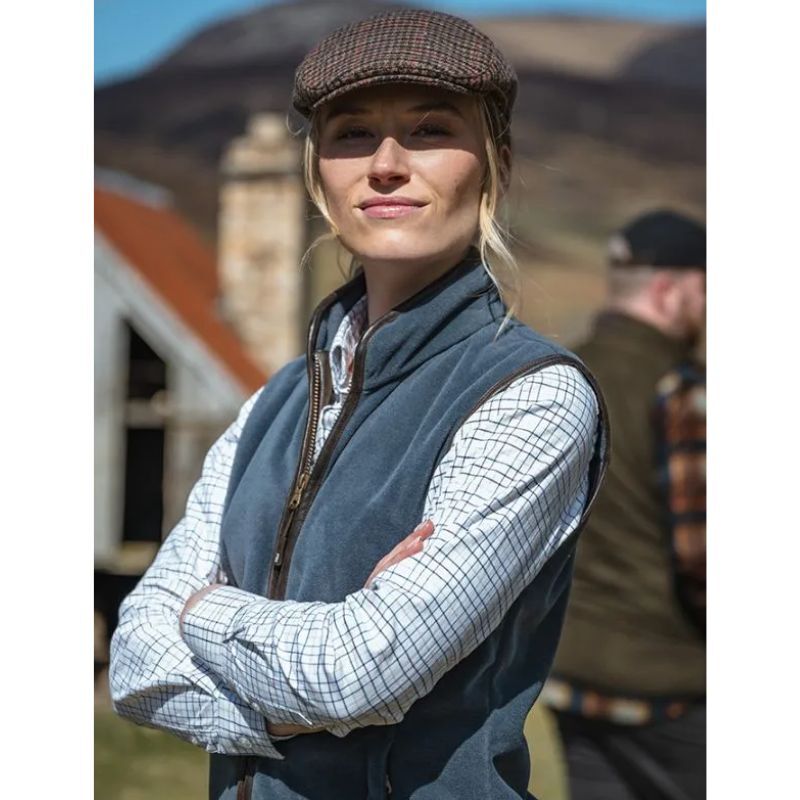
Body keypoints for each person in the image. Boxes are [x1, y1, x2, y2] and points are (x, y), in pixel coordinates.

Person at [109, 10, 609, 800]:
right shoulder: (274, 402)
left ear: (494, 165)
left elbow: (357, 672)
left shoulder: (533, 395)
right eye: (350, 134)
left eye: (430, 129)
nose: (385, 164)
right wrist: (296, 687)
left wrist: (200, 612)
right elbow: (134, 656)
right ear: (317, 175)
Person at [542, 210, 706, 800]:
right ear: (671, 289)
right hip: (672, 685)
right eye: (705, 290)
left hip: (570, 670)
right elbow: (704, 556)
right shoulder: (680, 389)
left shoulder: (559, 374)